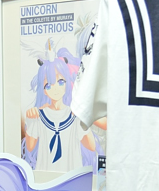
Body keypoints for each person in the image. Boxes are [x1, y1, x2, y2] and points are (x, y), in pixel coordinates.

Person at [23, 42, 102, 172]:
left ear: (67, 83)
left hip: (71, 177)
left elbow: (91, 146)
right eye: (49, 85)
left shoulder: (74, 114)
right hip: (46, 177)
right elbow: (30, 147)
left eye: (60, 82)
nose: (55, 89)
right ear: (44, 90)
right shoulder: (39, 115)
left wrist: (83, 119)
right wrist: (31, 121)